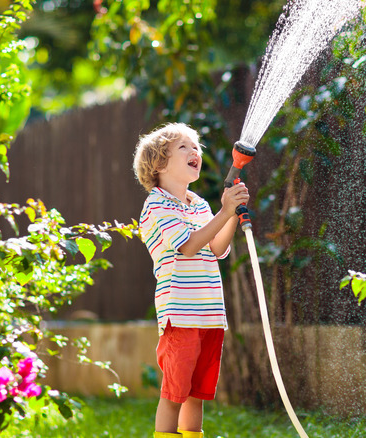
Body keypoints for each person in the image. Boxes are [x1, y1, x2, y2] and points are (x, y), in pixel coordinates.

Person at [133, 123, 250, 438]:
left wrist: (230, 213)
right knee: (175, 393)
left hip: (210, 315)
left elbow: (218, 247)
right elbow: (188, 246)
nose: (194, 151)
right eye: (184, 147)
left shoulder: (199, 204)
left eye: (196, 146)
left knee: (197, 394)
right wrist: (224, 211)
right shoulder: (156, 205)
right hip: (180, 315)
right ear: (159, 164)